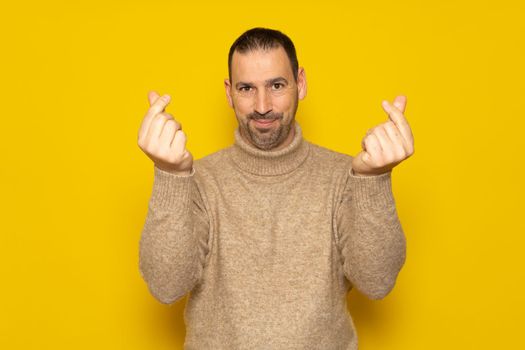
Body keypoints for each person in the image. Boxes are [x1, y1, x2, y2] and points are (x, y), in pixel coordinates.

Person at [137, 27, 414, 350]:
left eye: (277, 85)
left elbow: (377, 282)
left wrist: (373, 180)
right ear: (229, 93)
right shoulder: (198, 180)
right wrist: (170, 175)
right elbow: (165, 286)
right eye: (246, 88)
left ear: (301, 83)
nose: (263, 105)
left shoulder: (345, 176)